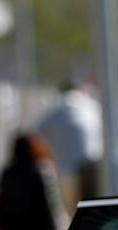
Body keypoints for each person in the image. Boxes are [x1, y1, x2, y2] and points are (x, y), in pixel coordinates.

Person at [36, 80, 104, 211]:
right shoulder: (91, 105)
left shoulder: (54, 108)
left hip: (67, 170)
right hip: (95, 167)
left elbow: (34, 136)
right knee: (96, 212)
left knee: (74, 216)